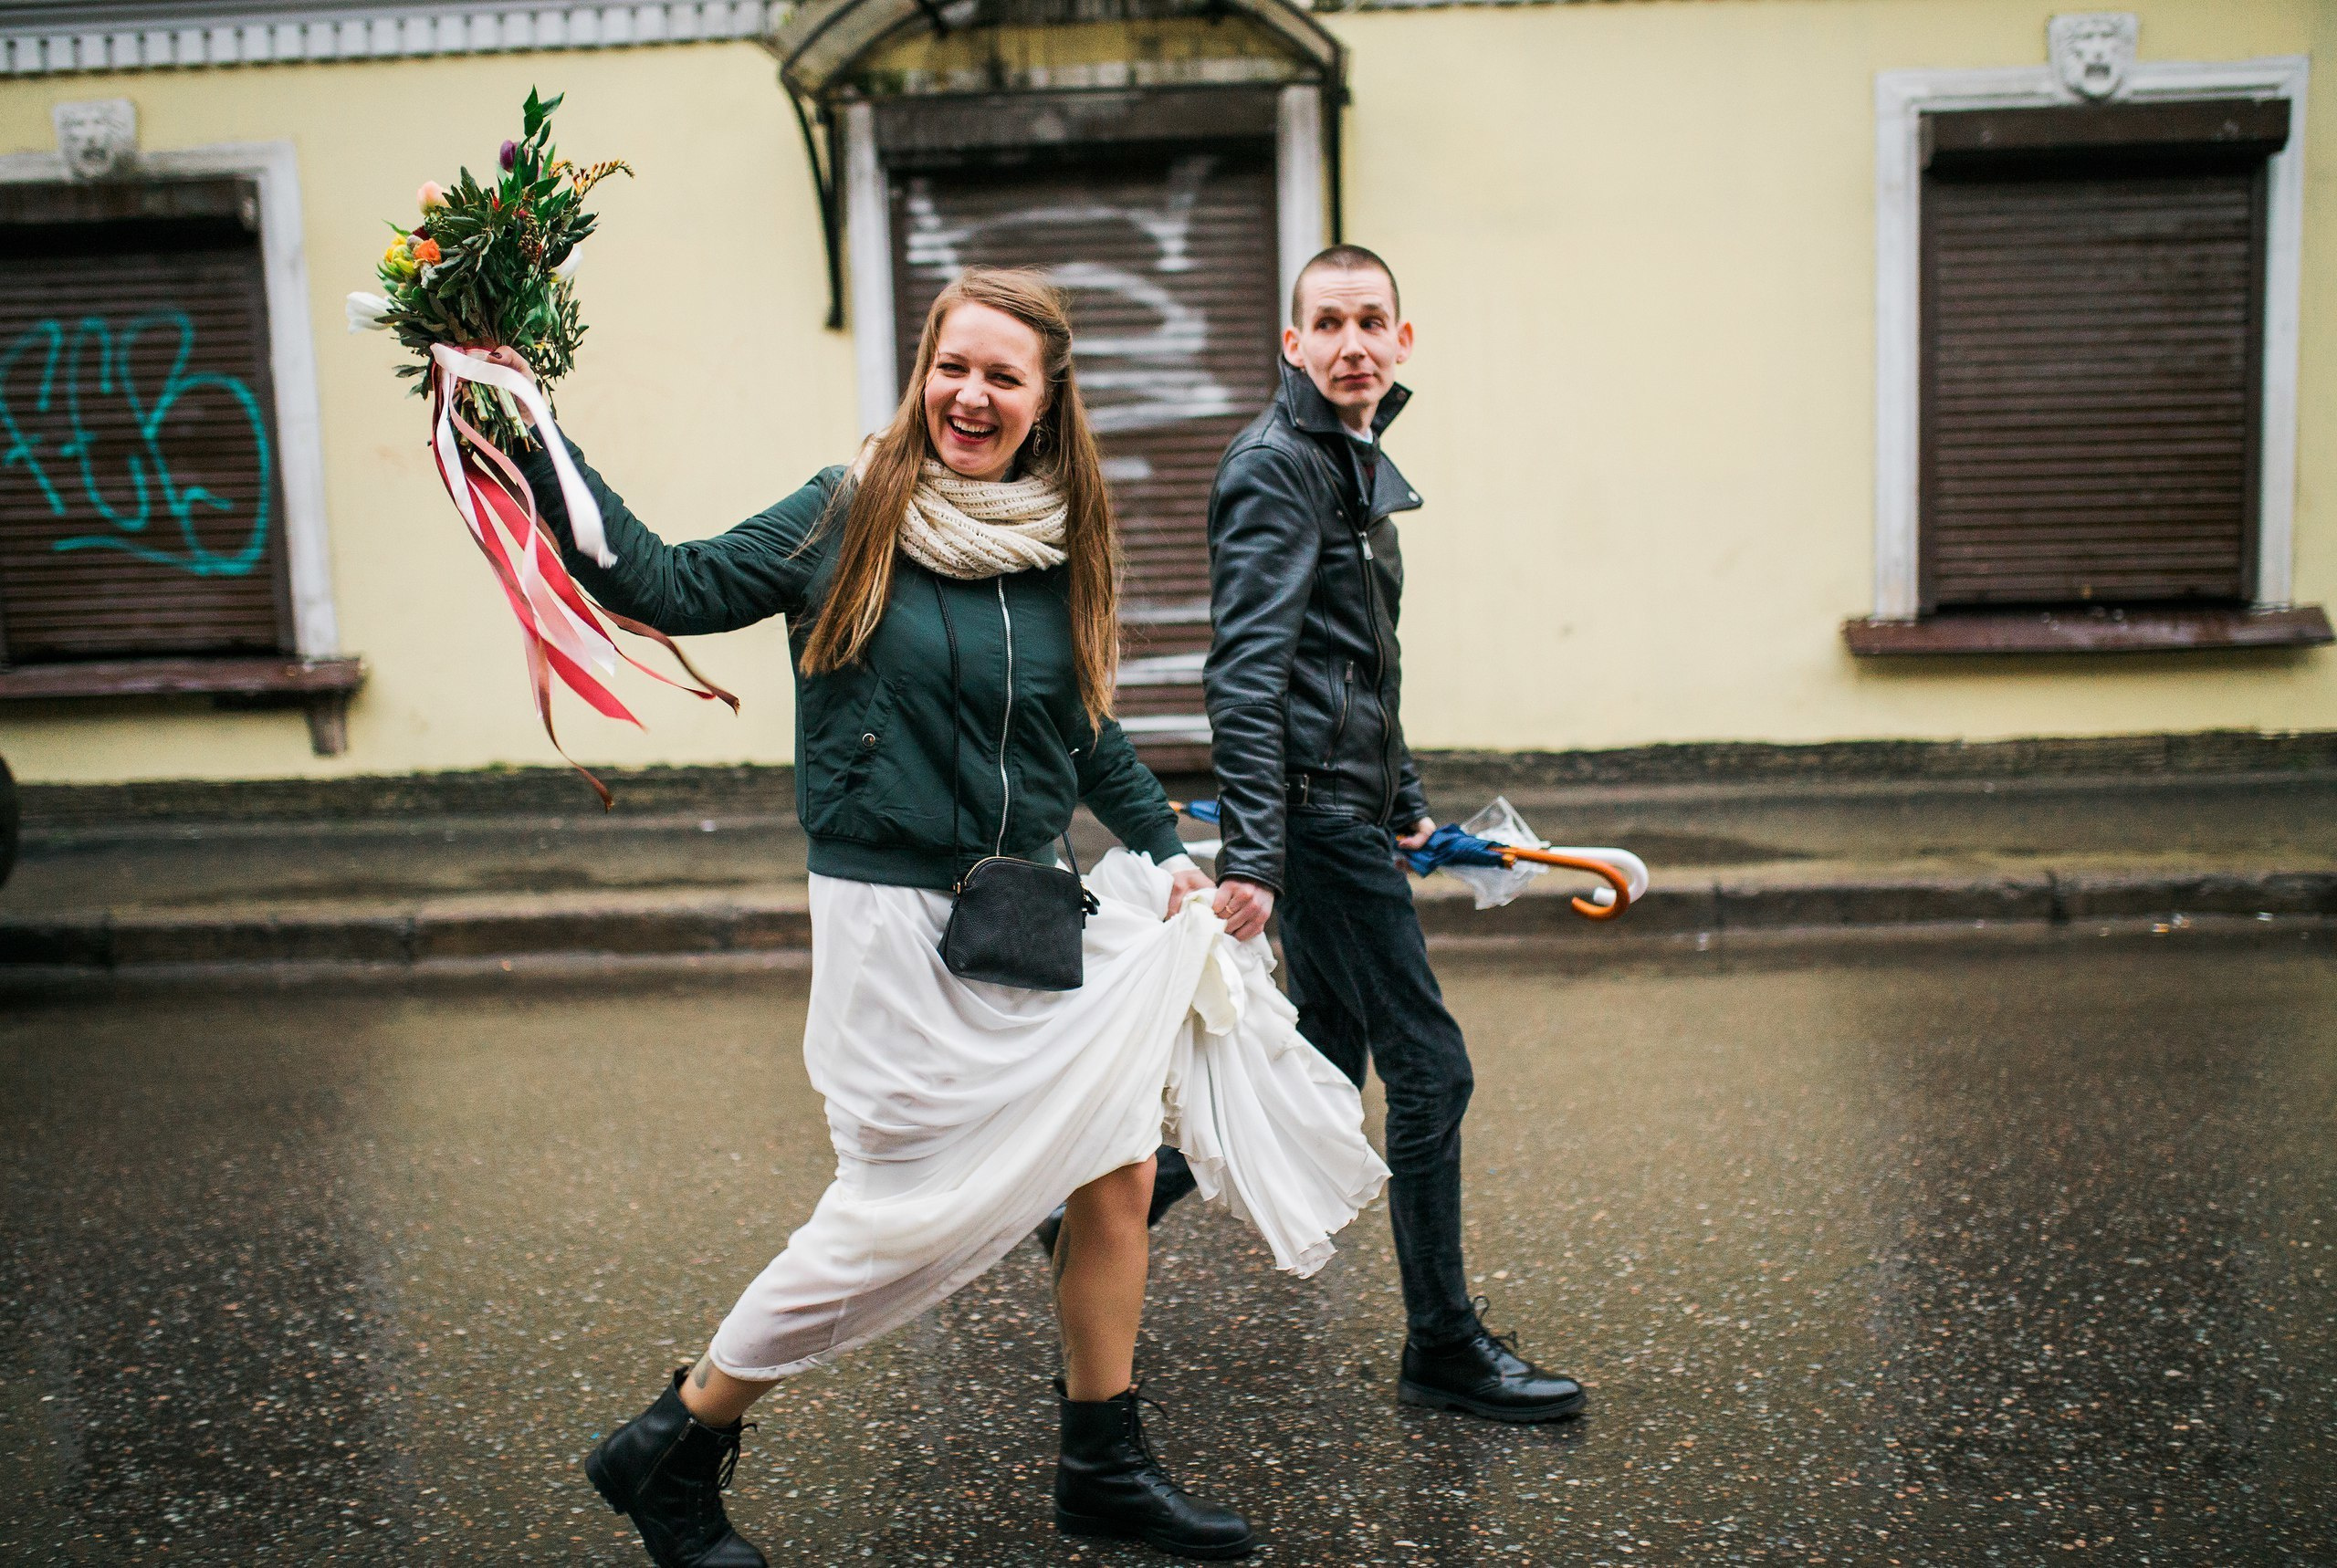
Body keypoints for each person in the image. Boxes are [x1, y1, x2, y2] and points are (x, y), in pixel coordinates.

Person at [488, 267, 1388, 1567]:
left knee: (1117, 1162)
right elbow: (666, 583)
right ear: (923, 374)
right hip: (890, 928)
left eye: (1001, 376)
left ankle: (1103, 1462)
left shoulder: (1058, 537)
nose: (969, 395)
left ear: (1044, 400)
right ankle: (674, 1439)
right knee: (898, 1213)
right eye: (950, 367)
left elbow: (1081, 729)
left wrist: (1164, 850)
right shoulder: (847, 512)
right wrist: (525, 424)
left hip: (1022, 911)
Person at [1189, 245, 1585, 1422]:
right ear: (1293, 345)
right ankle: (1444, 1345)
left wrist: (1404, 798)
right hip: (1311, 817)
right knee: (1430, 1068)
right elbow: (1247, 673)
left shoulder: (1351, 460)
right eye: (1329, 323)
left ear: (1402, 341)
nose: (1352, 343)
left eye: (1372, 322)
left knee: (1321, 1054)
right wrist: (1256, 856)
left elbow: (1365, 663)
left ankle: (1098, 1203)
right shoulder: (1277, 468)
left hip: (1344, 806)